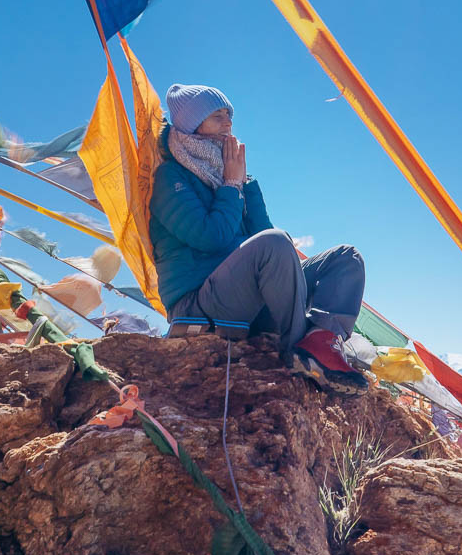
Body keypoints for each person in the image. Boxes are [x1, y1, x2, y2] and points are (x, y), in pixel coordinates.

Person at [150, 83, 365, 388]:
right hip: (199, 302)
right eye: (217, 116)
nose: (227, 123)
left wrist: (245, 184)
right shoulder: (170, 177)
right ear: (192, 125)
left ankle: (321, 340)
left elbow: (263, 234)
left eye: (229, 115)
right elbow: (211, 237)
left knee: (345, 258)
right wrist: (231, 185)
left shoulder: (234, 176)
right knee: (275, 243)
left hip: (248, 298)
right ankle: (299, 353)